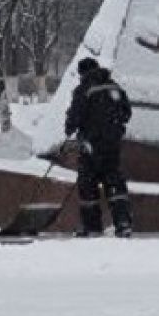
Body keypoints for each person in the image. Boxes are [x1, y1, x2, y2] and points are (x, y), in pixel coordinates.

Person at [64, 57, 133, 237]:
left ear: (82, 73)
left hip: (91, 147)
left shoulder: (84, 90)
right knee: (115, 184)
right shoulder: (114, 87)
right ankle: (123, 223)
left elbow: (74, 118)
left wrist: (70, 128)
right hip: (112, 146)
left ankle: (92, 227)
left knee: (88, 185)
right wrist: (113, 125)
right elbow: (127, 113)